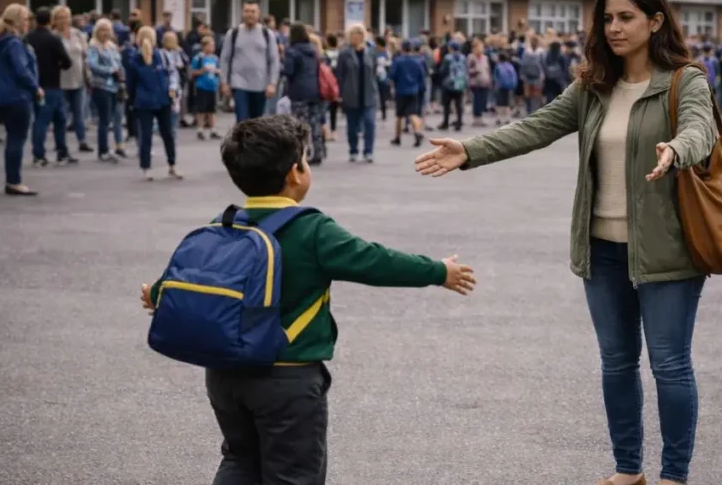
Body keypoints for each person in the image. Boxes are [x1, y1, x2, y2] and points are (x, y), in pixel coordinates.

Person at [415, 0, 717, 485]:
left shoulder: (686, 80)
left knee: (669, 365)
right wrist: (470, 150)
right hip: (601, 250)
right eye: (608, 18)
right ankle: (628, 470)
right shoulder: (593, 86)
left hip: (668, 248)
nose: (614, 27)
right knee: (617, 363)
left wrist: (677, 149)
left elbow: (700, 127)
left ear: (655, 21)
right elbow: (535, 127)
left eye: (626, 17)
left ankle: (673, 476)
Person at [139, 114, 475, 485]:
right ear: (295, 173)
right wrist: (438, 271)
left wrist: (155, 294)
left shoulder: (226, 223)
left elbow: (187, 280)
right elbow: (377, 262)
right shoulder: (312, 229)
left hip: (224, 374)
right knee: (293, 474)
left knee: (239, 460)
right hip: (286, 378)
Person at [0, 4, 42, 196]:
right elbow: (21, 70)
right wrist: (35, 87)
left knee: (12, 138)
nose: (28, 23)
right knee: (17, 139)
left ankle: (12, 179)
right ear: (18, 21)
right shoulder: (14, 44)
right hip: (18, 96)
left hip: (2, 97)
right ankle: (14, 181)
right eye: (26, 19)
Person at [127, 26, 182, 180]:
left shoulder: (133, 59)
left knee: (146, 135)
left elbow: (130, 84)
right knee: (168, 134)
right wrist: (172, 89)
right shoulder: (162, 55)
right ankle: (172, 165)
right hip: (162, 100)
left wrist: (132, 100)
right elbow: (172, 73)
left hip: (143, 102)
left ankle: (146, 168)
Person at [25, 7, 76, 166]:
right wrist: (58, 64)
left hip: (34, 83)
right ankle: (59, 152)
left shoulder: (28, 38)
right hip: (53, 83)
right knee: (58, 119)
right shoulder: (53, 39)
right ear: (50, 21)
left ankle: (39, 153)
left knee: (40, 120)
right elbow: (66, 61)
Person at [219, 2, 280, 122]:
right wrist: (224, 82)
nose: (250, 14)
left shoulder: (267, 34)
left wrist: (272, 83)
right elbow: (225, 58)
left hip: (260, 84)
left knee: (256, 121)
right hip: (239, 83)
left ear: (258, 14)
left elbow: (274, 60)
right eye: (247, 11)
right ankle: (242, 141)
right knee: (242, 120)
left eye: (253, 11)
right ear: (242, 13)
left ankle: (253, 141)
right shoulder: (233, 33)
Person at [281, 23, 325, 164]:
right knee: (315, 122)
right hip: (315, 91)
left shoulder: (291, 51)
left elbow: (289, 71)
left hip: (299, 93)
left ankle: (302, 154)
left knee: (300, 124)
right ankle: (318, 152)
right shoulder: (313, 51)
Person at [335, 24, 379, 163]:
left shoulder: (371, 52)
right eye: (353, 34)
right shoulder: (344, 54)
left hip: (369, 94)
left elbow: (375, 71)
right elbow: (339, 75)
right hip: (351, 94)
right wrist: (340, 94)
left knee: (369, 123)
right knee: (352, 126)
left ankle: (368, 151)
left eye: (359, 34)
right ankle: (353, 150)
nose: (356, 37)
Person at [52, 6, 93, 153]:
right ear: (55, 20)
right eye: (60, 17)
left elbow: (85, 56)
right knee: (62, 115)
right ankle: (60, 143)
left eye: (66, 17)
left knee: (79, 113)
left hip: (79, 80)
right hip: (61, 81)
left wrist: (88, 76)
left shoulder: (78, 35)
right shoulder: (53, 36)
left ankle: (82, 141)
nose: (64, 20)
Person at [87, 19, 125, 163]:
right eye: (102, 30)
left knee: (115, 118)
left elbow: (119, 64)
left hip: (115, 86)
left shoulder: (112, 47)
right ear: (97, 31)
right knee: (105, 119)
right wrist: (110, 71)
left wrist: (121, 75)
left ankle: (114, 147)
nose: (105, 33)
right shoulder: (93, 47)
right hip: (102, 85)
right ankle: (103, 150)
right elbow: (92, 65)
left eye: (108, 30)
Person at [389, 40, 426, 148]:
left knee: (399, 115)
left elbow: (392, 75)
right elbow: (421, 76)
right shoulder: (417, 61)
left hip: (401, 90)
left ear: (402, 49)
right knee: (413, 114)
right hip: (414, 90)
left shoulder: (398, 61)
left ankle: (397, 137)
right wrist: (421, 89)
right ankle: (418, 132)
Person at [190, 35, 222, 140]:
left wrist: (217, 71)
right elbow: (192, 72)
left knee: (212, 109)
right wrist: (202, 70)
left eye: (213, 45)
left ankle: (213, 130)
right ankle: (200, 129)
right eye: (210, 45)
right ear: (204, 46)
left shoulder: (215, 58)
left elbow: (219, 70)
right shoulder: (199, 58)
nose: (212, 47)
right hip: (202, 86)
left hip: (212, 86)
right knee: (201, 109)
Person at [161, 31, 188, 135]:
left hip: (177, 83)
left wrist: (180, 51)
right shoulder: (162, 52)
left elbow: (184, 62)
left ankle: (172, 128)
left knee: (175, 107)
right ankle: (167, 128)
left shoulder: (178, 52)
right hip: (167, 83)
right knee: (169, 107)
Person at [438, 41, 467, 131]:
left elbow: (443, 70)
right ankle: (459, 123)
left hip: (448, 83)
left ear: (451, 48)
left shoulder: (448, 58)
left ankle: (446, 122)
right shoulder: (463, 57)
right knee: (458, 104)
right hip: (459, 83)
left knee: (447, 105)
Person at [467, 37, 492, 127]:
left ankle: (481, 117)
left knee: (483, 101)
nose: (481, 49)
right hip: (475, 83)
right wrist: (475, 70)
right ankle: (476, 118)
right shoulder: (471, 57)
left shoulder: (485, 57)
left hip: (485, 82)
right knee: (476, 101)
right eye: (479, 47)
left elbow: (487, 69)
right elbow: (468, 70)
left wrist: (489, 79)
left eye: (482, 47)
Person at [494, 51, 518, 125]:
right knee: (507, 103)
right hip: (509, 87)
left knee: (499, 103)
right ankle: (508, 118)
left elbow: (495, 77)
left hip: (500, 86)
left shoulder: (498, 66)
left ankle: (499, 118)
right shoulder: (510, 66)